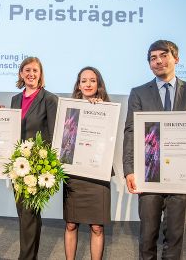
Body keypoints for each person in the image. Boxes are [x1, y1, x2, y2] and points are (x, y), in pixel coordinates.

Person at [123, 40, 186, 259]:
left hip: (183, 176)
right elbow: (131, 132)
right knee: (147, 238)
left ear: (176, 58)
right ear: (149, 64)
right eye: (153, 58)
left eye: (163, 55)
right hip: (149, 174)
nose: (158, 61)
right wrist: (129, 169)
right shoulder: (138, 93)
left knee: (175, 239)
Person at [10, 57, 58, 260]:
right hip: (17, 165)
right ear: (21, 73)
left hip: (37, 167)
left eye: (35, 70)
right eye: (27, 70)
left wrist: (48, 165)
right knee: (26, 214)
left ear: (40, 74)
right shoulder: (15, 99)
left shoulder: (49, 98)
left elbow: (55, 133)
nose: (31, 74)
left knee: (28, 214)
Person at [63, 67, 112, 260]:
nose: (88, 84)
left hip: (97, 174)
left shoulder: (107, 109)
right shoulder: (69, 110)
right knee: (71, 224)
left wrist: (99, 110)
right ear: (79, 85)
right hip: (74, 174)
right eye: (84, 81)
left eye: (92, 80)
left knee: (97, 227)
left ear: (98, 84)